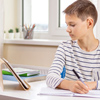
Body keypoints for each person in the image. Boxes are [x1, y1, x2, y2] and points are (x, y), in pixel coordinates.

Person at [46, 0, 100, 94]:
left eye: (72, 25)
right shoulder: (65, 47)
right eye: (67, 25)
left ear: (89, 23)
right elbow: (50, 77)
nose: (67, 29)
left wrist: (93, 84)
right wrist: (69, 85)